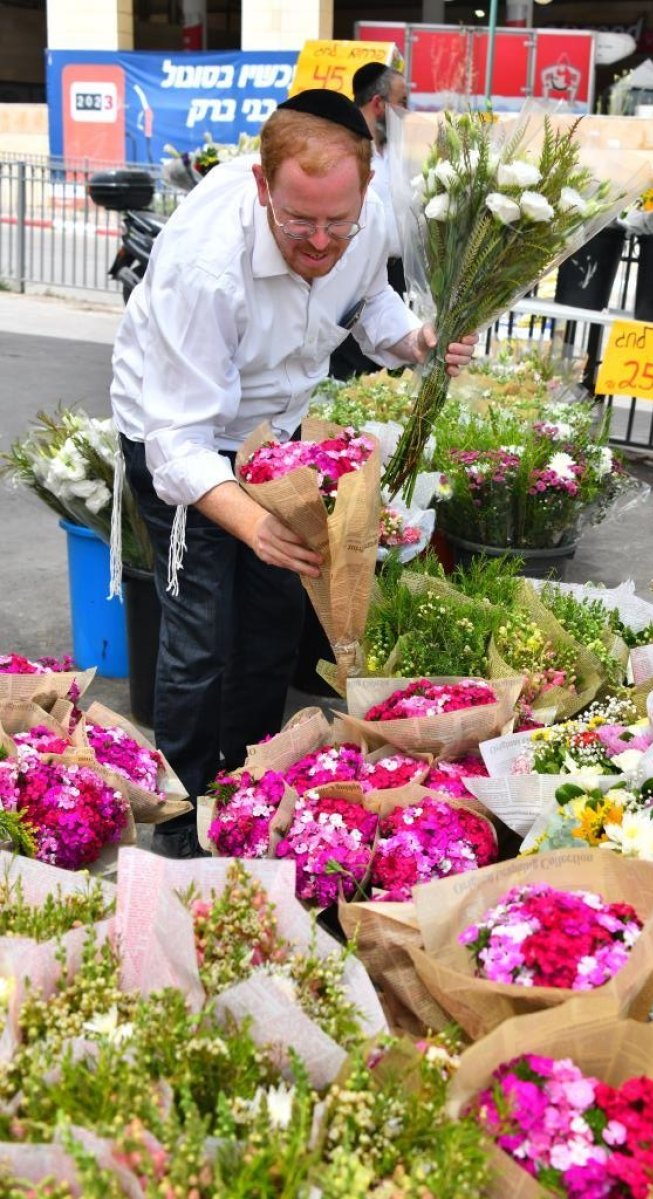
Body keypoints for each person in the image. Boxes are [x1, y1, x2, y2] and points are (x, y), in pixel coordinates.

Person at [110, 89, 477, 858]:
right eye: (298, 221)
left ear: (364, 194)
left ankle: (245, 796)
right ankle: (178, 821)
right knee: (201, 636)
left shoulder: (362, 219)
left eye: (335, 222)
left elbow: (369, 296)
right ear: (261, 188)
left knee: (273, 628)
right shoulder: (207, 266)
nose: (319, 240)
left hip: (275, 439)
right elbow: (175, 440)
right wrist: (251, 524)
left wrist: (414, 341)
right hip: (184, 440)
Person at [328, 62, 409, 382]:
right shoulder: (342, 150)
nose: (407, 111)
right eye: (402, 102)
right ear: (378, 104)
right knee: (348, 373)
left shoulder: (396, 153)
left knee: (386, 373)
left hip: (392, 276)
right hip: (352, 273)